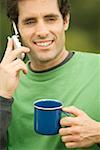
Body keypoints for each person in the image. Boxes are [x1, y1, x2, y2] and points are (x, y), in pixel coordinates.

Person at [0, 0, 100, 149]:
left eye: (50, 19)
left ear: (65, 21)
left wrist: (98, 133)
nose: (42, 32)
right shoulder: (4, 82)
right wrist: (2, 97)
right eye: (30, 22)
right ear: (16, 28)